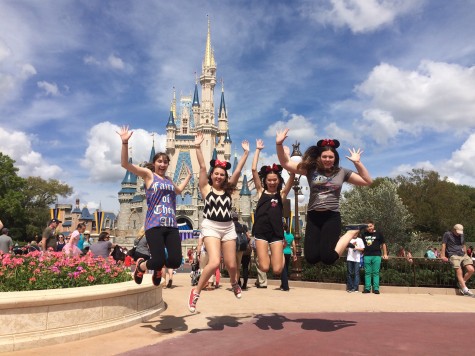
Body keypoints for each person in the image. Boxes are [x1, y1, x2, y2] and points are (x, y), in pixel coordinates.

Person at [276, 130, 372, 267]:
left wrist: (357, 163)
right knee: (311, 257)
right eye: (324, 156)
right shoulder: (310, 170)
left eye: (330, 157)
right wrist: (279, 144)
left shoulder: (342, 172)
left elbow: (367, 181)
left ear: (335, 158)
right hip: (314, 216)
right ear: (319, 157)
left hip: (331, 216)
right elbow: (286, 163)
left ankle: (350, 233)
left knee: (328, 258)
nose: (327, 159)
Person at [118, 125, 192, 287]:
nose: (163, 164)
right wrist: (124, 143)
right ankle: (142, 266)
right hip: (154, 225)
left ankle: (157, 268)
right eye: (160, 161)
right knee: (157, 259)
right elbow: (125, 164)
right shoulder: (149, 175)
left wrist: (189, 176)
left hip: (171, 225)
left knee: (175, 261)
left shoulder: (169, 181)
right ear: (154, 163)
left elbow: (178, 191)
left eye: (165, 162)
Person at [188, 131, 249, 313]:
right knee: (214, 262)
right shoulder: (206, 189)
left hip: (228, 227)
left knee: (231, 264)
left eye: (222, 174)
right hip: (211, 226)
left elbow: (237, 171)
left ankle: (233, 283)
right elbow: (202, 167)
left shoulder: (229, 191)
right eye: (217, 174)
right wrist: (197, 146)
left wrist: (246, 154)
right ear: (212, 175)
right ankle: (196, 292)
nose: (219, 176)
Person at [252, 138, 294, 279]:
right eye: (269, 180)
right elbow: (253, 169)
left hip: (276, 233)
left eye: (274, 180)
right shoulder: (260, 192)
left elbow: (292, 176)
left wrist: (286, 157)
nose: (271, 182)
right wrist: (257, 150)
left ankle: (278, 253)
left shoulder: (281, 194)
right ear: (265, 181)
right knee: (264, 267)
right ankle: (267, 254)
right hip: (261, 232)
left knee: (277, 270)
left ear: (278, 181)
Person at [441, 224, 474, 297]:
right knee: (459, 270)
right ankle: (465, 289)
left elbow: (463, 245)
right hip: (453, 255)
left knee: (471, 270)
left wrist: (466, 254)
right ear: (454, 229)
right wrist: (442, 255)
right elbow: (444, 244)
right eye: (457, 232)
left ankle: (462, 283)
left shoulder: (461, 235)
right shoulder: (447, 234)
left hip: (462, 254)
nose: (459, 234)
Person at [361, 221, 388, 294]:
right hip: (367, 255)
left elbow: (383, 244)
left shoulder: (379, 233)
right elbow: (362, 245)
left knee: (376, 273)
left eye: (370, 226)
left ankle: (376, 289)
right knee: (367, 273)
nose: (369, 228)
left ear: (373, 226)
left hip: (376, 255)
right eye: (368, 227)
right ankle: (367, 288)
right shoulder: (363, 234)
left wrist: (385, 254)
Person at [280, 223, 296, 291]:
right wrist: (294, 254)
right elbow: (294, 246)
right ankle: (283, 284)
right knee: (286, 268)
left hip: (282, 252)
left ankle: (285, 286)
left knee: (283, 270)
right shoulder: (291, 235)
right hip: (289, 253)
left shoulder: (282, 235)